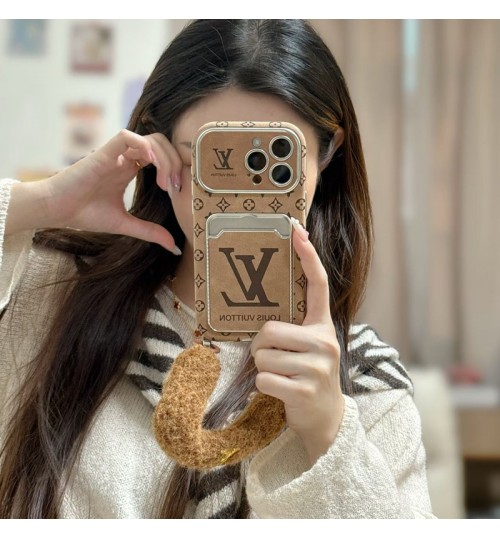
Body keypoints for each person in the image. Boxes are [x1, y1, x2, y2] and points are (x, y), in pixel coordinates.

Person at [0, 19, 434, 519]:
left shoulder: (363, 376)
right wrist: (43, 202)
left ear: (327, 155)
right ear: (157, 150)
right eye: (210, 162)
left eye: (273, 165)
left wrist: (329, 433)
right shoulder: (51, 287)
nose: (239, 200)